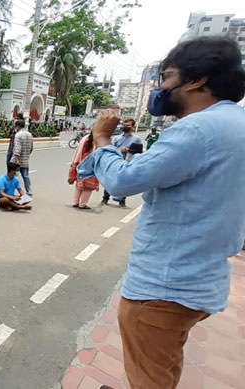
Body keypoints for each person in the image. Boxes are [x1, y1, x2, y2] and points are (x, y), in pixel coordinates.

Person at [78, 36, 245, 388]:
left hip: (164, 287)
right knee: (165, 356)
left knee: (148, 374)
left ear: (197, 80)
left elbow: (123, 181)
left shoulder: (197, 130)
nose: (161, 87)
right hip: (201, 282)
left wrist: (103, 140)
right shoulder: (236, 124)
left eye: (167, 77)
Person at [100, 118, 142, 208]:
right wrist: (120, 150)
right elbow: (111, 149)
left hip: (128, 163)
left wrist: (129, 151)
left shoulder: (136, 139)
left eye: (128, 125)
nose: (125, 127)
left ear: (133, 127)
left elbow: (139, 152)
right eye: (124, 125)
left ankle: (122, 201)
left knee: (125, 182)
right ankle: (105, 198)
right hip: (115, 162)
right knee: (110, 179)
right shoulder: (116, 138)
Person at [68, 133, 99, 209]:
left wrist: (74, 162)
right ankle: (82, 204)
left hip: (81, 162)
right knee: (88, 186)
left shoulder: (85, 138)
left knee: (79, 184)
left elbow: (78, 151)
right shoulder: (97, 141)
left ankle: (75, 202)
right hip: (90, 164)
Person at [11, 119, 34, 196]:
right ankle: (29, 192)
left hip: (17, 160)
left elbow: (17, 148)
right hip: (26, 160)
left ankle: (12, 191)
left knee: (14, 176)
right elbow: (31, 148)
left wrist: (16, 159)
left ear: (18, 126)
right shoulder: (29, 135)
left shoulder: (18, 135)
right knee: (26, 176)